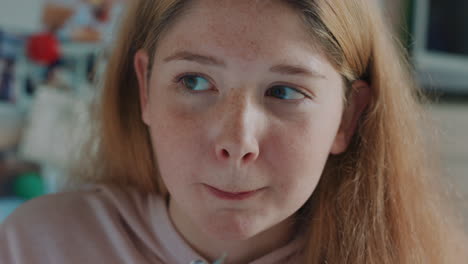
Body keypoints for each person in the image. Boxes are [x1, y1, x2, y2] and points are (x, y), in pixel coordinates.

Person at [1, 0, 466, 263]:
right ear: (146, 89)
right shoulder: (33, 247)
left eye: (284, 91)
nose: (237, 142)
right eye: (194, 82)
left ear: (347, 117)